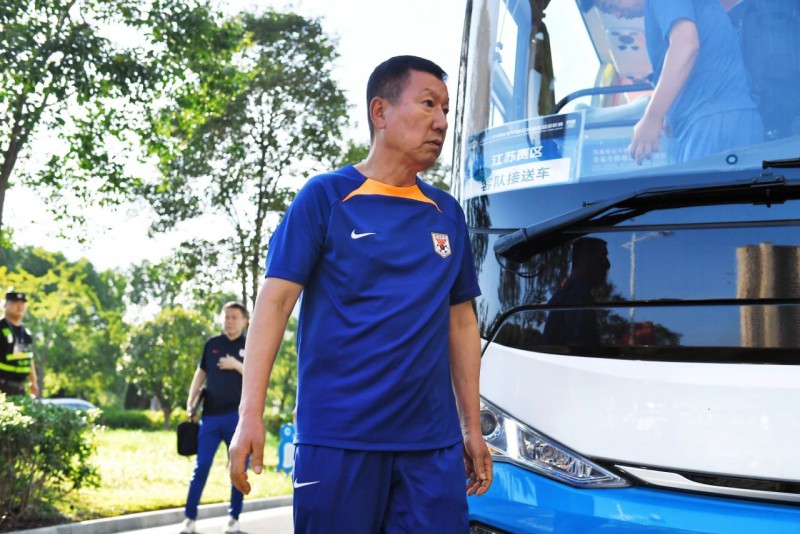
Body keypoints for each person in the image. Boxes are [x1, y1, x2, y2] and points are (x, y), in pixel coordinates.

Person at [228, 55, 492, 533]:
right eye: (428, 104)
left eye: (446, 109)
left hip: (431, 447)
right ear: (380, 111)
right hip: (338, 440)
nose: (441, 122)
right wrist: (250, 414)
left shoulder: (447, 213)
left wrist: (470, 428)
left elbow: (462, 323)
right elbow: (275, 303)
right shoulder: (326, 197)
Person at [582, 0, 764, 163]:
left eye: (610, 6)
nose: (617, 15)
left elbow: (685, 44)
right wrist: (671, 116)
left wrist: (653, 117)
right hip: (712, 121)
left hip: (712, 121)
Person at [180, 302, 249, 534]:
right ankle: (189, 519)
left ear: (244, 321)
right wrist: (190, 402)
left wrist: (236, 365)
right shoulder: (212, 344)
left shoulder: (250, 344)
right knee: (201, 468)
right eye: (226, 317)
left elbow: (257, 374)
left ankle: (233, 519)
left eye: (234, 317)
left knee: (238, 470)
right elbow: (200, 373)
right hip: (210, 418)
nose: (229, 321)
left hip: (237, 419)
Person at [542, 238, 610, 346]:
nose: (607, 264)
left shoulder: (567, 290)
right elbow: (578, 346)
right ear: (584, 257)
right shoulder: (578, 294)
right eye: (602, 256)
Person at [0, 291, 38, 398]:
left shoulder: (25, 332)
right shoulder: (1, 328)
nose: (19, 306)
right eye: (15, 303)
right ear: (5, 305)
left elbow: (28, 358)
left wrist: (33, 381)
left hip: (20, 388)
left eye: (22, 303)